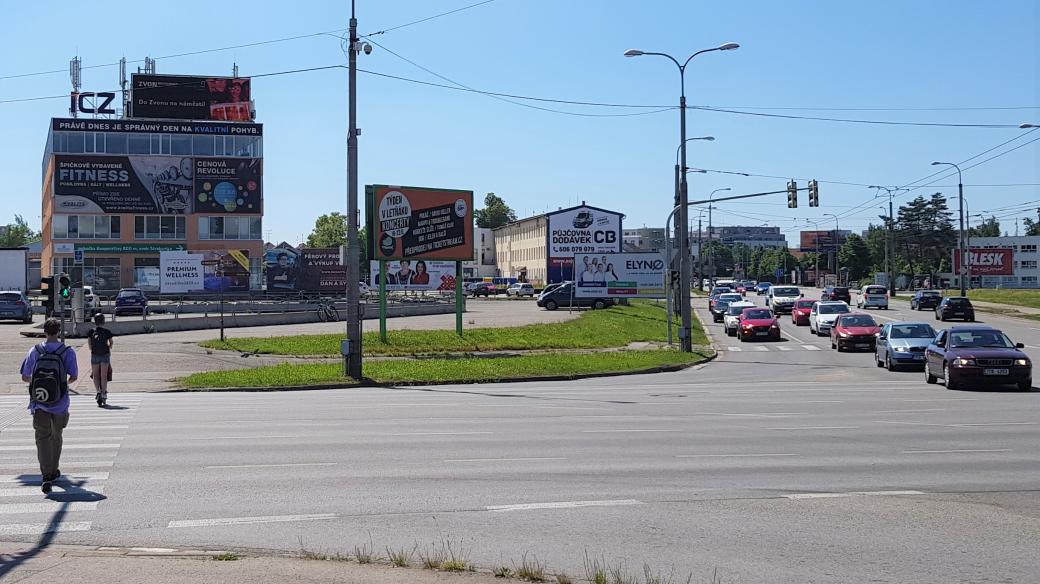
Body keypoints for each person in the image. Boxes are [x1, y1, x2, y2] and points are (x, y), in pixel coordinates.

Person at [20, 319, 78, 493]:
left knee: (42, 438)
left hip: (40, 403)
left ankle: (46, 475)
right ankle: (53, 470)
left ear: (44, 331)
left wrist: (38, 385)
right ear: (59, 332)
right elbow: (74, 376)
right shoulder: (67, 351)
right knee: (56, 436)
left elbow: (24, 376)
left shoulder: (35, 350)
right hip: (60, 403)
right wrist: (61, 386)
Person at [87, 313, 114, 407]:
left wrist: (91, 349)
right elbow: (111, 342)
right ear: (103, 321)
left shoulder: (91, 331)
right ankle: (103, 393)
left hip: (95, 355)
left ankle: (98, 391)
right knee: (104, 375)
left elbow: (89, 342)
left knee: (95, 375)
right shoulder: (107, 331)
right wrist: (109, 348)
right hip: (105, 355)